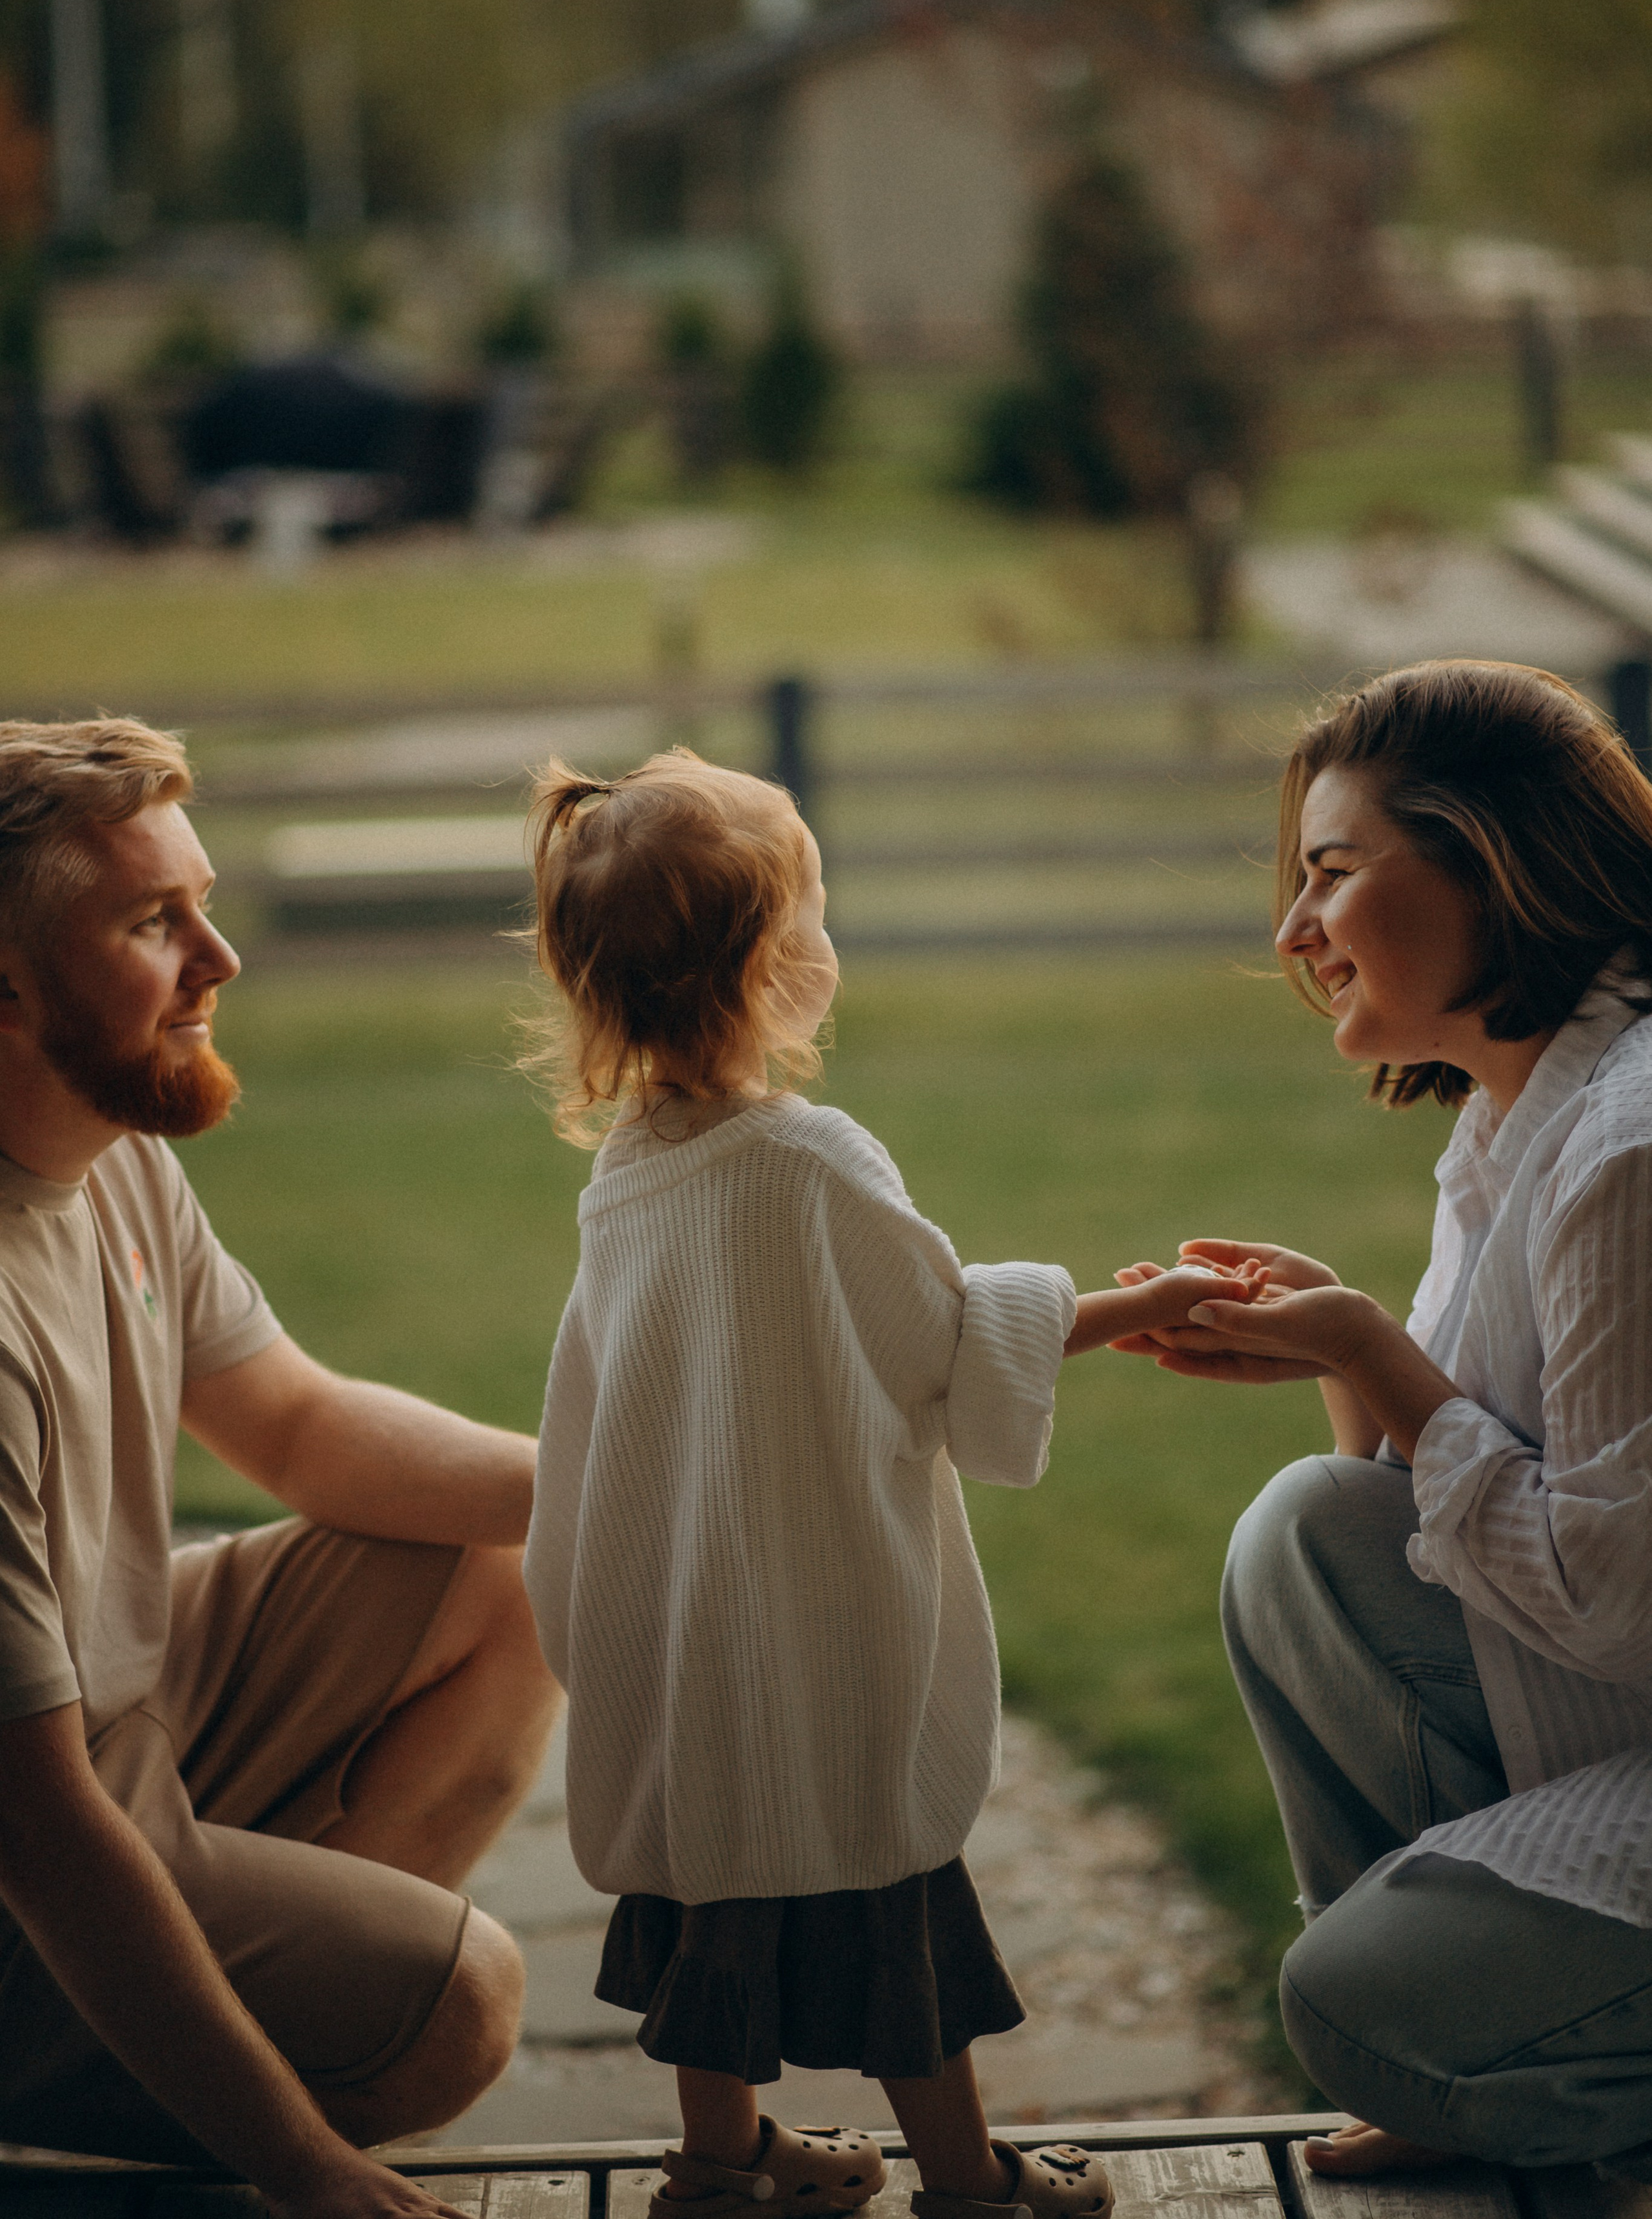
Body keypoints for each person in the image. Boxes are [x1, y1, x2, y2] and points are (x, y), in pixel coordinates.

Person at [518, 750, 1265, 2219]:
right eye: (810, 910)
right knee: (887, 1897)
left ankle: (722, 2163)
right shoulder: (809, 1163)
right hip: (814, 1630)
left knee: (704, 1892)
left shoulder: (631, 1169)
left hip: (691, 1627)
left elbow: (602, 1400)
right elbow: (944, 1335)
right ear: (774, 962)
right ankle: (968, 2180)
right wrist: (1145, 1298)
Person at [0, 718, 560, 2218]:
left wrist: (636, 1486)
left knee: (522, 1555)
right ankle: (278, 2085)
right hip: (31, 1837)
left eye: (201, 901)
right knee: (462, 2007)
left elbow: (301, 1428)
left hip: (127, 1709)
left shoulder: (111, 1148)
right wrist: (307, 2174)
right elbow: (42, 1831)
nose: (218, 956)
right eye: (150, 921)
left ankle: (271, 2008)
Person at [1116, 660, 1652, 2175]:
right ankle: (1465, 2061)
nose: (1292, 933)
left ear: (1494, 866)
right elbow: (1404, 1516)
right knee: (1301, 1533)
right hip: (1609, 1708)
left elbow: (1614, 1599)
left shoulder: (1628, 1146)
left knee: (1348, 2007)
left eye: (1331, 875)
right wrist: (1347, 1355)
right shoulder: (1507, 1119)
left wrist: (1371, 1346)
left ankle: (1476, 2055)